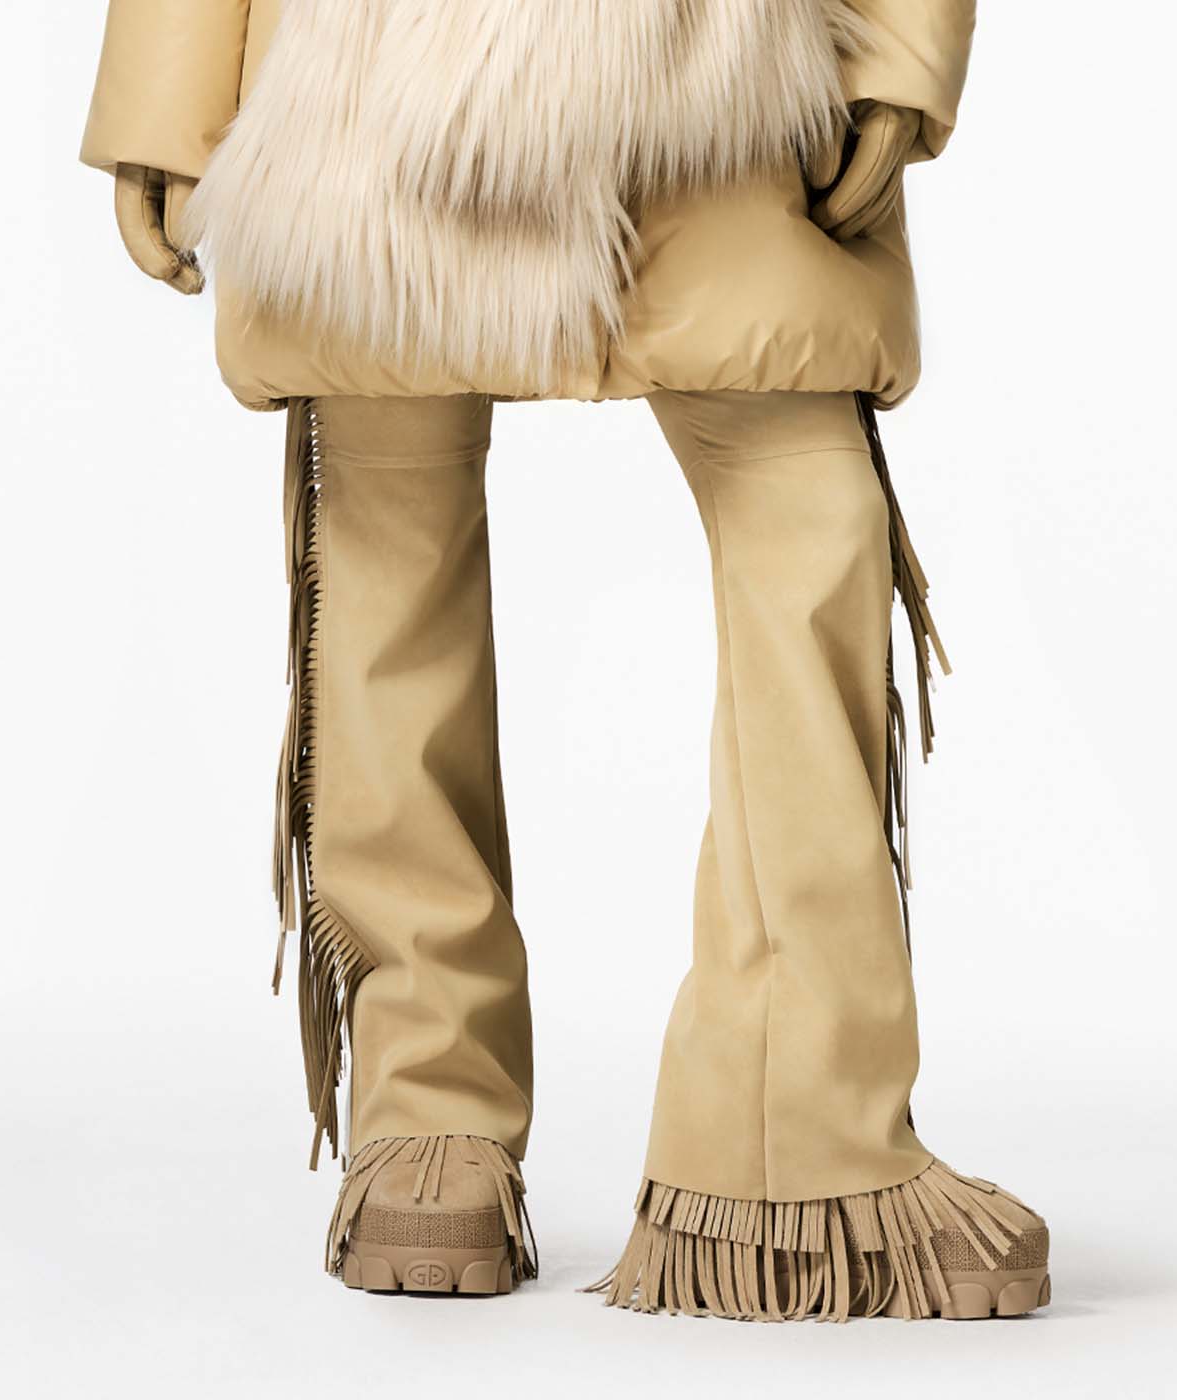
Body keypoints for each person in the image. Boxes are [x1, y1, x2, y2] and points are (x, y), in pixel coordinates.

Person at [81, 0, 1050, 1321]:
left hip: (730, 58)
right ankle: (426, 1111)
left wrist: (896, 39)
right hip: (368, 71)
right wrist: (166, 88)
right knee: (388, 520)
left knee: (803, 503)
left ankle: (791, 1131)